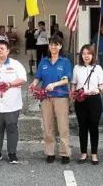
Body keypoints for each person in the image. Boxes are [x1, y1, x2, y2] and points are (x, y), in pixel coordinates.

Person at [29, 35, 72, 164]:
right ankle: (50, 152)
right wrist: (34, 84)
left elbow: (66, 79)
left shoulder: (65, 62)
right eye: (51, 44)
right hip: (46, 98)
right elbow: (38, 77)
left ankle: (65, 153)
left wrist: (55, 84)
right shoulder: (44, 61)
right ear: (49, 46)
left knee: (63, 126)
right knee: (48, 126)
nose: (54, 46)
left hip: (61, 97)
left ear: (60, 46)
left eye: (56, 44)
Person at [71, 45, 103, 165]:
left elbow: (102, 84)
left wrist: (98, 90)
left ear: (93, 55)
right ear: (81, 55)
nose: (86, 56)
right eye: (84, 53)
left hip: (94, 100)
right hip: (81, 100)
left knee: (94, 127)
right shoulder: (76, 68)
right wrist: (73, 93)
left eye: (89, 53)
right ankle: (83, 153)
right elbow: (74, 84)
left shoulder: (98, 68)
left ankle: (94, 154)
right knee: (82, 127)